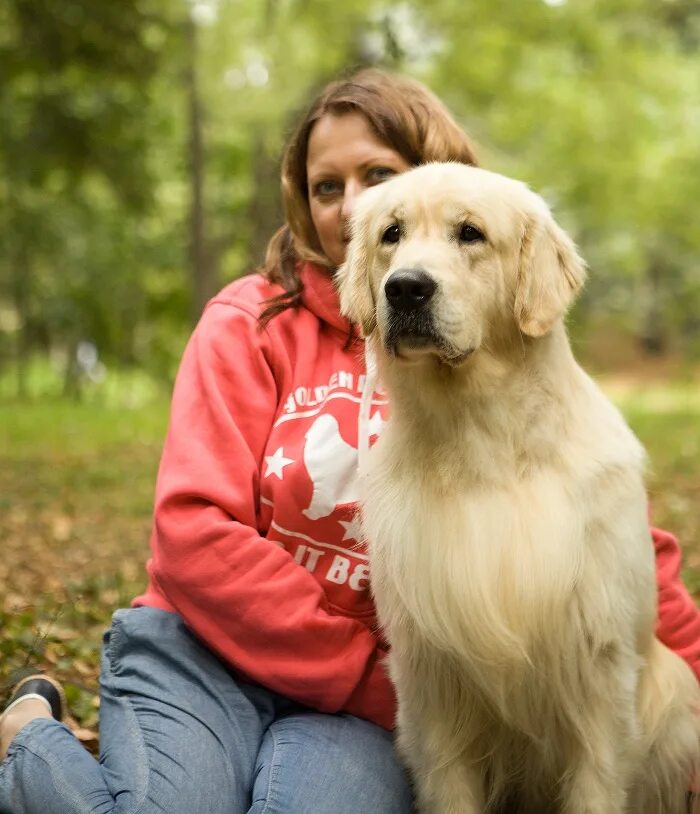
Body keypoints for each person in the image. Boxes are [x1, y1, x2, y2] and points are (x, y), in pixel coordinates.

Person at [1, 68, 698, 814]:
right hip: (206, 656)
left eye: (378, 176)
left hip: (346, 711)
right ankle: (25, 733)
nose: (354, 207)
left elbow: (617, 548)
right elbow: (191, 532)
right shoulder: (247, 322)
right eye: (326, 187)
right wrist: (366, 671)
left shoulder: (511, 363)